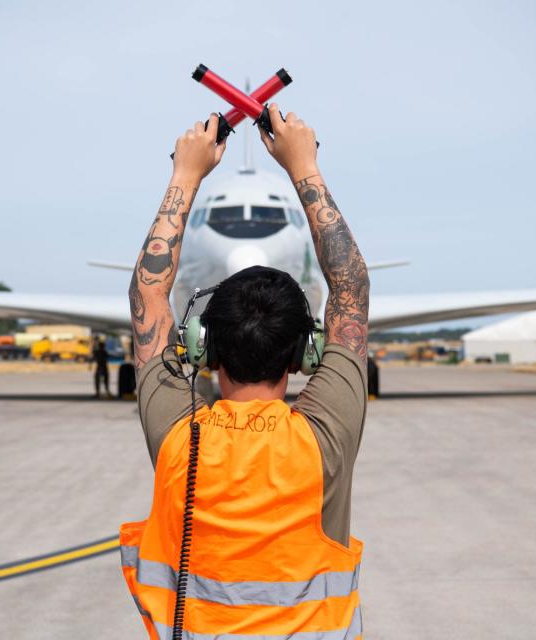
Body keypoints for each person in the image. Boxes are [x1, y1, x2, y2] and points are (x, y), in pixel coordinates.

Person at [120, 107, 369, 639]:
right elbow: (349, 288)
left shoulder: (176, 440)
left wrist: (184, 175)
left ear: (202, 347)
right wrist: (305, 166)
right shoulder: (324, 440)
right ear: (306, 350)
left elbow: (148, 294)